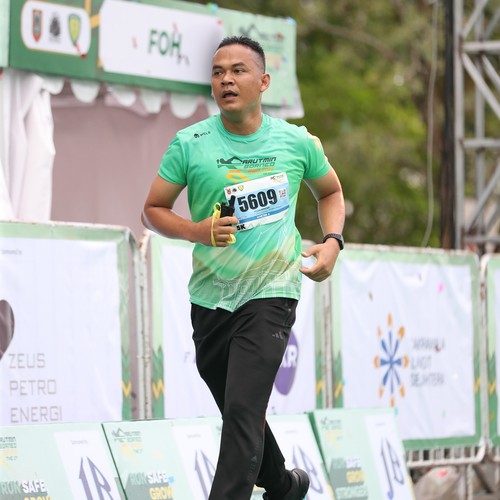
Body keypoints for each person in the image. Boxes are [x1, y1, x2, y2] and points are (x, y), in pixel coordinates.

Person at [142, 35, 345, 500]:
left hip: (272, 291)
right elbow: (153, 210)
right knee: (240, 411)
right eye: (218, 72)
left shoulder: (296, 142)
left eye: (238, 70)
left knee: (241, 411)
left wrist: (333, 242)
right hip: (210, 298)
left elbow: (331, 192)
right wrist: (197, 230)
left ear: (264, 82)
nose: (226, 80)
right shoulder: (190, 143)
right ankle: (283, 484)